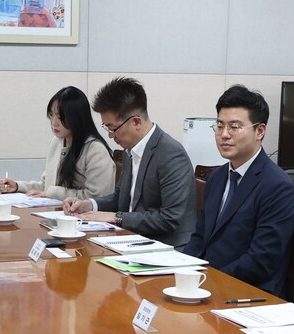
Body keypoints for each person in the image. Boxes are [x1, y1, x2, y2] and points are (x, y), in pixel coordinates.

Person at [181, 85, 294, 298]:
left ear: (259, 131)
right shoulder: (216, 178)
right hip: (209, 285)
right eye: (219, 126)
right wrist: (179, 271)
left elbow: (261, 260)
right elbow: (199, 239)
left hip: (248, 294)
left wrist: (209, 281)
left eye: (234, 127)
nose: (224, 135)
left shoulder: (277, 186)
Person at [62, 76, 196, 246]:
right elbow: (121, 198)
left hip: (166, 246)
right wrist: (89, 205)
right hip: (132, 239)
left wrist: (116, 217)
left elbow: (169, 219)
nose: (110, 135)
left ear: (136, 122)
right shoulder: (129, 151)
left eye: (113, 128)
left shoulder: (171, 154)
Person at [0, 85, 115, 201]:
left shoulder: (95, 150)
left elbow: (97, 197)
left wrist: (52, 193)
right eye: (51, 115)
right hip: (55, 212)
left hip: (82, 218)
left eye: (60, 116)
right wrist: (17, 186)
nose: (54, 122)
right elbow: (46, 185)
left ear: (77, 118)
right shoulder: (56, 142)